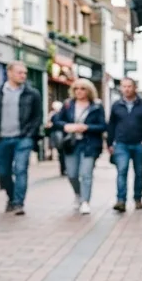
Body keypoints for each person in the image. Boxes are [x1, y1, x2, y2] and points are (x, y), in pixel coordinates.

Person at [0, 62, 43, 214]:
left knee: (20, 169)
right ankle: (11, 197)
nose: (23, 76)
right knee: (4, 172)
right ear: (9, 73)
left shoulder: (32, 94)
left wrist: (29, 133)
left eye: (25, 73)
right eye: (20, 72)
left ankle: (19, 203)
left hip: (23, 138)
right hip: (2, 138)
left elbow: (37, 116)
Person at [51, 79, 107, 214]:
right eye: (76, 88)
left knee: (86, 174)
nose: (79, 91)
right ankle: (78, 194)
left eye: (83, 88)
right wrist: (66, 126)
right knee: (72, 174)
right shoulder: (68, 105)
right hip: (71, 144)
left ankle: (85, 201)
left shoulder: (96, 106)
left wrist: (86, 127)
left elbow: (103, 126)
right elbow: (56, 121)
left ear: (89, 90)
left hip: (89, 144)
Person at [106, 78, 142, 212]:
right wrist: (110, 143)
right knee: (122, 170)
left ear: (135, 88)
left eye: (129, 86)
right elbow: (111, 125)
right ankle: (121, 200)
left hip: (139, 143)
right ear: (121, 88)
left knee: (139, 172)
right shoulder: (116, 105)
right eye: (124, 87)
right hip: (121, 143)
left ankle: (138, 198)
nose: (127, 89)